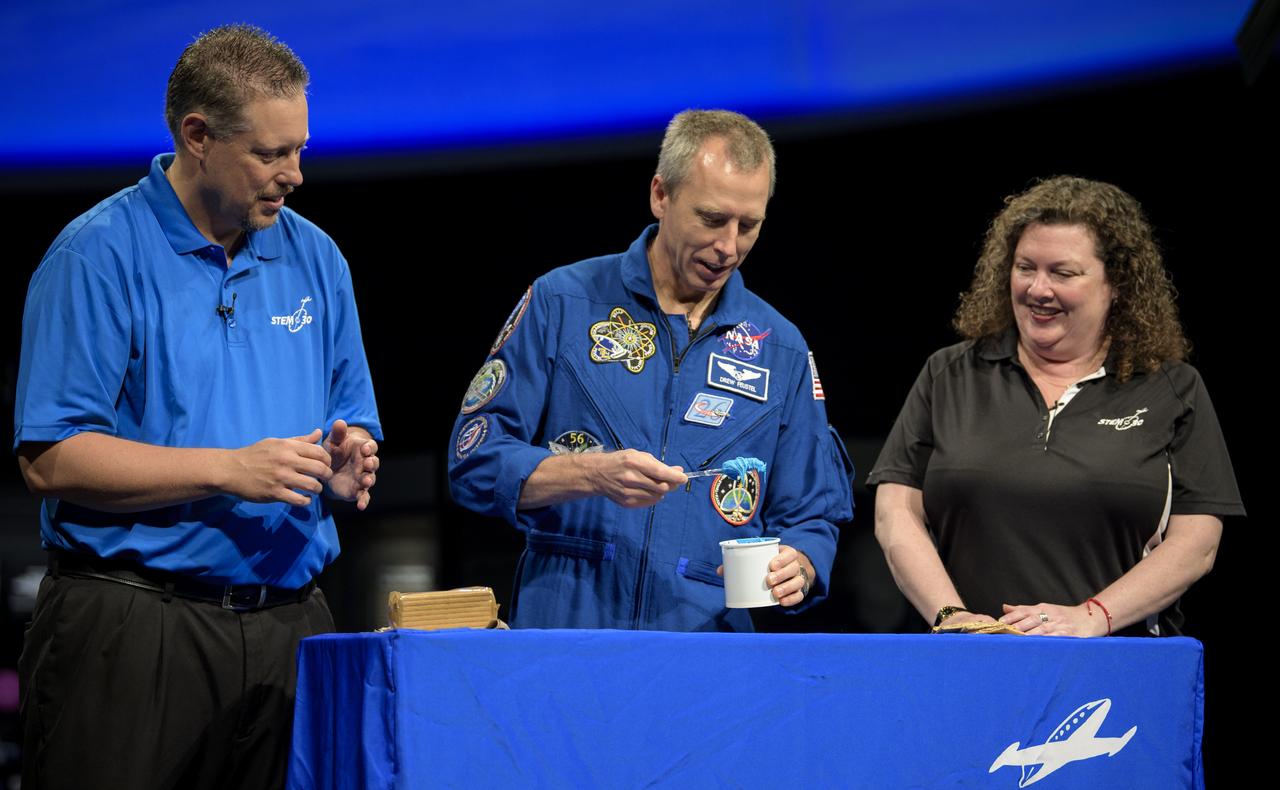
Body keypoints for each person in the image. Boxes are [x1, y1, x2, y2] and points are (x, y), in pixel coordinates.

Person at [14, 25, 381, 789]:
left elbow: (353, 419)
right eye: (270, 154)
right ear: (198, 136)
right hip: (134, 627)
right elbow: (51, 456)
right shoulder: (96, 256)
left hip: (291, 626)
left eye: (300, 150)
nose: (295, 174)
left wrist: (349, 464)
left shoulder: (317, 257)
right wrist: (227, 470)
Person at [448, 109, 852, 631]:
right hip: (567, 637)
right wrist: (591, 474)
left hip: (708, 659)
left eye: (748, 226)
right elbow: (474, 459)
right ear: (660, 195)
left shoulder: (784, 351)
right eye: (711, 219)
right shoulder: (562, 302)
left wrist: (802, 563)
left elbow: (811, 517)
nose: (729, 246)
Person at [867, 176, 1243, 637]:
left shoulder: (1171, 388)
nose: (1038, 289)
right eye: (1026, 268)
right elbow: (895, 512)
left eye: (1063, 274)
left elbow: (1197, 543)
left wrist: (1091, 617)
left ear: (1117, 284)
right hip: (967, 660)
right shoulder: (951, 374)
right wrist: (952, 616)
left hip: (1118, 668)